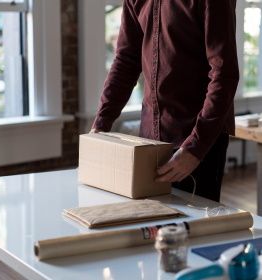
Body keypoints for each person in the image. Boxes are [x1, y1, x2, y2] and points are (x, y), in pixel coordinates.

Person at [91, 0, 239, 202]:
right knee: (151, 228)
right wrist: (100, 125)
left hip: (198, 140)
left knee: (194, 231)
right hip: (149, 141)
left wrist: (195, 149)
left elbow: (224, 74)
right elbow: (126, 60)